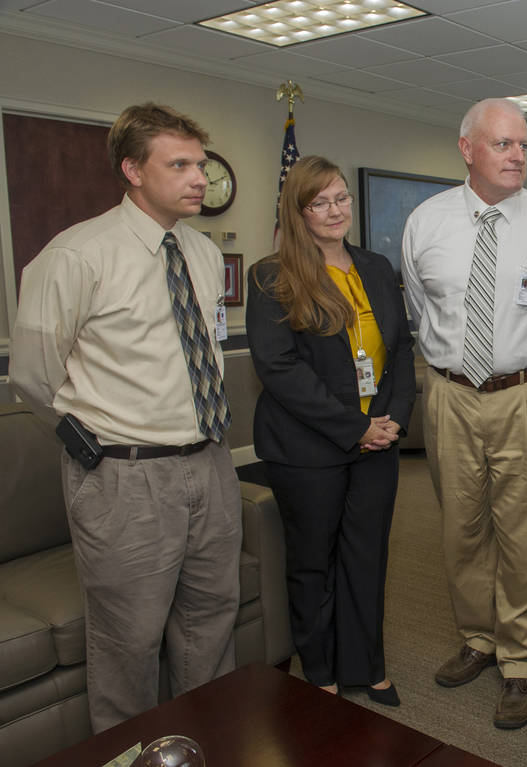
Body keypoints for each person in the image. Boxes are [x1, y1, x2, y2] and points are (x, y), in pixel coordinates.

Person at [10, 103, 241, 732]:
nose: (199, 177)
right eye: (181, 165)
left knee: (211, 619)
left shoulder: (195, 251)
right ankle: (132, 752)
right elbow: (32, 373)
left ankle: (203, 742)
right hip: (126, 477)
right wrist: (87, 443)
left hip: (209, 462)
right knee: (128, 641)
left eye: (200, 163)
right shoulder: (77, 255)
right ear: (132, 170)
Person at [401, 98, 527, 730]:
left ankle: (522, 663)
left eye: (523, 145)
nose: (518, 156)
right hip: (449, 394)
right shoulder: (426, 221)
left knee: (526, 533)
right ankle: (478, 639)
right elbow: (421, 312)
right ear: (468, 148)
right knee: (461, 527)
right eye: (503, 144)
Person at [247, 156, 415, 706]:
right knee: (313, 563)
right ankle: (320, 673)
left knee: (367, 558)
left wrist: (390, 423)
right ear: (297, 211)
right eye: (319, 202)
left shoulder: (374, 264)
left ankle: (367, 666)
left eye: (341, 198)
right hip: (307, 447)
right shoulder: (272, 275)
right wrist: (355, 427)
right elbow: (279, 369)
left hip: (377, 442)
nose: (335, 210)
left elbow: (400, 352)